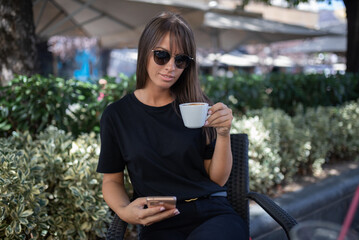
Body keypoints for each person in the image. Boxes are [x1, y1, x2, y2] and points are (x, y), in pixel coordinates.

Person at [97, 11, 248, 240]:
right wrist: (125, 211)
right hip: (159, 221)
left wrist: (224, 134)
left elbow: (217, 179)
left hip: (212, 214)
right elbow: (111, 181)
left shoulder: (198, 106)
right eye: (162, 55)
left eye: (180, 60)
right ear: (144, 52)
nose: (171, 67)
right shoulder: (117, 115)